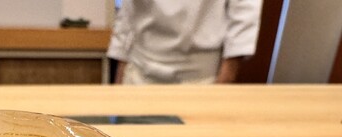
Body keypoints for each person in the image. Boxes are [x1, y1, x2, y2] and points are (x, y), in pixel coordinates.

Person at [107, 0, 262, 84]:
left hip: (201, 78)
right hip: (139, 72)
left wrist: (225, 81)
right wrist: (119, 82)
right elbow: (127, 16)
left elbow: (244, 15)